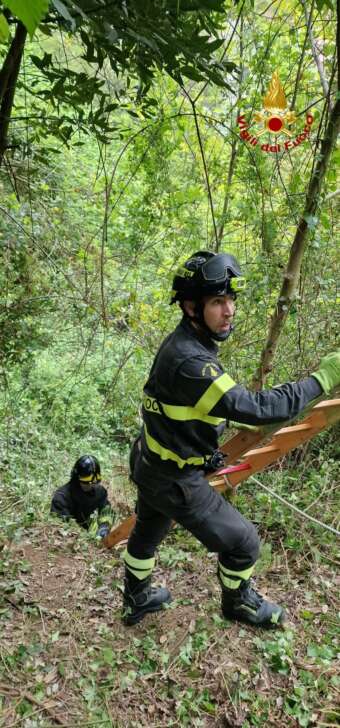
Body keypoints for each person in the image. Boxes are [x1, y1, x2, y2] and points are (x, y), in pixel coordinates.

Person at [123, 250, 340, 627]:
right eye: (218, 302)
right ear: (192, 307)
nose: (229, 311)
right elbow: (257, 408)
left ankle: (136, 597)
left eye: (231, 300)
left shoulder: (185, 343)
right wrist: (322, 379)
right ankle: (238, 603)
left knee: (146, 533)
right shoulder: (192, 362)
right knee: (244, 544)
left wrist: (203, 449)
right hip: (174, 478)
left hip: (151, 460)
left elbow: (188, 412)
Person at [51, 455, 114, 539]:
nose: (90, 486)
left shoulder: (99, 492)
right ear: (76, 478)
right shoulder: (61, 498)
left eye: (93, 483)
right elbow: (61, 526)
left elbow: (106, 510)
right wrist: (83, 537)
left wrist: (104, 526)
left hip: (88, 531)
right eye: (86, 482)